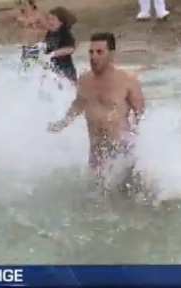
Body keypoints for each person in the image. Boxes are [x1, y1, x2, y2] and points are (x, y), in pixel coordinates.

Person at [47, 32, 145, 184]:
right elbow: (79, 103)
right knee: (93, 199)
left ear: (111, 54)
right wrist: (63, 122)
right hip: (96, 155)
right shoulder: (85, 80)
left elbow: (141, 116)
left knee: (124, 198)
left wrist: (139, 147)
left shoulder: (127, 81)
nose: (94, 57)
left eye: (99, 52)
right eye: (91, 52)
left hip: (121, 153)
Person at [38, 7, 78, 84]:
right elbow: (47, 47)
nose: (49, 22)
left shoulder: (64, 33)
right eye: (49, 19)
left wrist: (54, 53)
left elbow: (71, 48)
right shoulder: (50, 33)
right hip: (54, 69)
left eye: (53, 19)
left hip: (66, 71)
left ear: (61, 22)